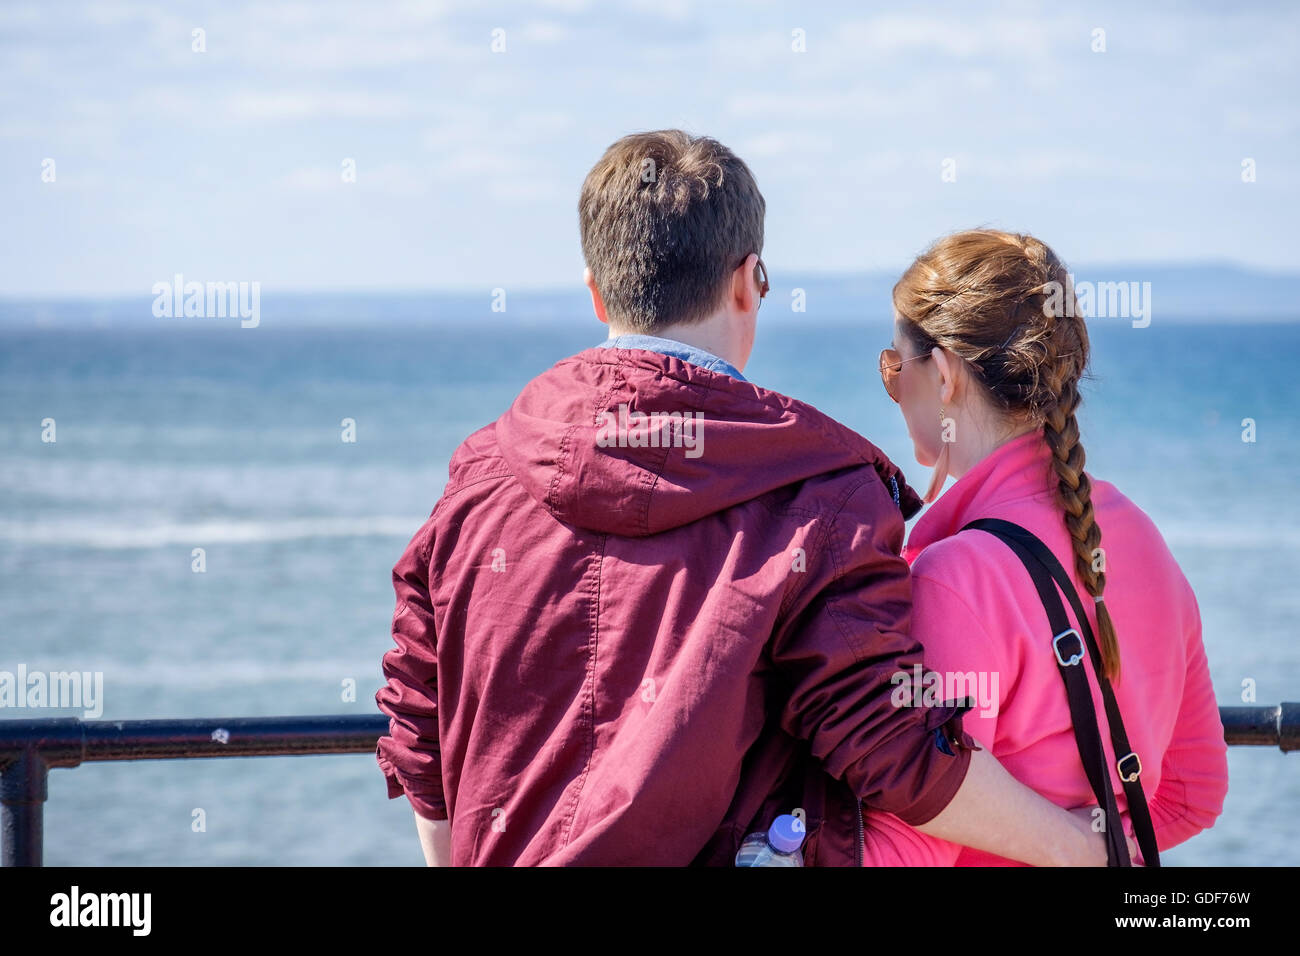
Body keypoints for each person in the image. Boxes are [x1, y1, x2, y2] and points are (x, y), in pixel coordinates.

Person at [374, 132, 1114, 866]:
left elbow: (419, 727)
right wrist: (1079, 848)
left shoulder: (476, 477)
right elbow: (886, 742)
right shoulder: (824, 493)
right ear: (746, 282)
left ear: (597, 291)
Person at [862, 229, 1229, 864]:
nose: (893, 390)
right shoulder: (1138, 533)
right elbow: (1192, 794)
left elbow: (904, 850)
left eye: (895, 368)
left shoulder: (955, 578)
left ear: (944, 373)